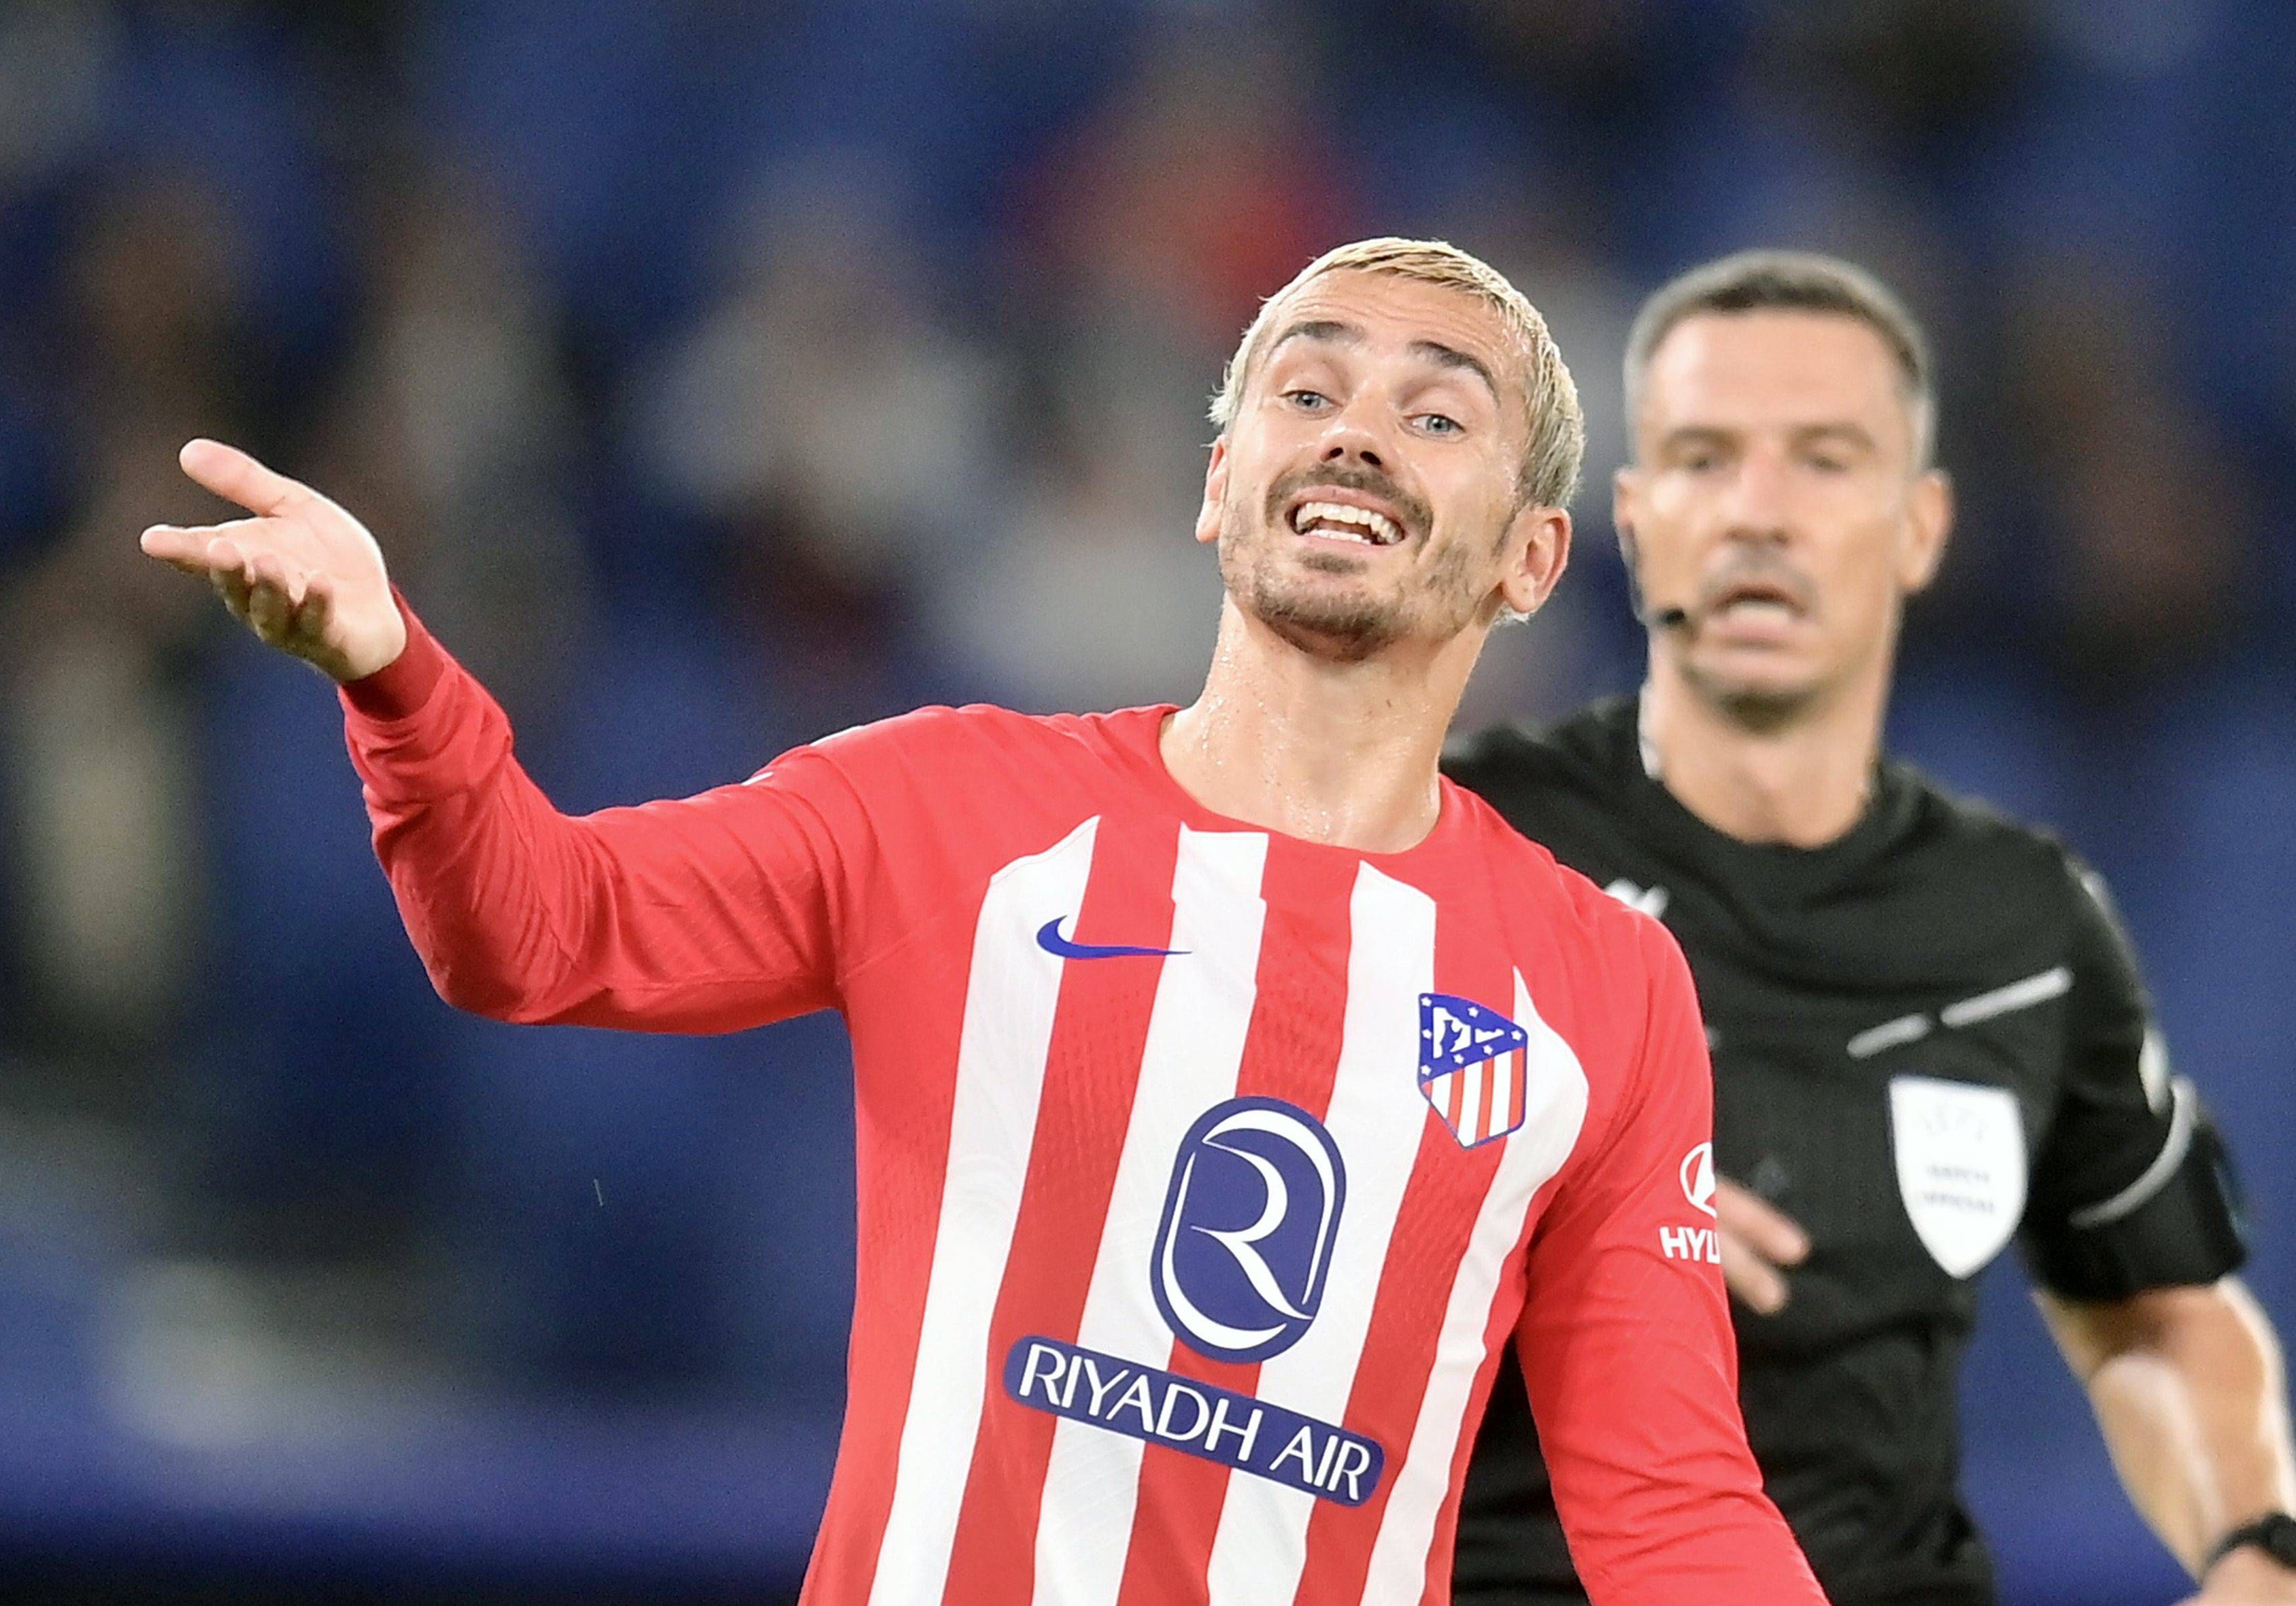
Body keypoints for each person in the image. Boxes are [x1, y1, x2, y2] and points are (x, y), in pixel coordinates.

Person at [138, 237, 1825, 1605]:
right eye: (1305, 387)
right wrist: (394, 676)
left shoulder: (1601, 991)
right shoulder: (946, 808)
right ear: (1218, 479)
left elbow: (1669, 1506)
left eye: (1435, 412)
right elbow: (538, 926)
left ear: (1532, 559)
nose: (1356, 429)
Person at [1445, 251, 2296, 1606]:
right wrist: (1551, 1198)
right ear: (1628, 516)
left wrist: (2257, 1545)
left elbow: (2155, 1308)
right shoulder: (1452, 838)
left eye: (1824, 460)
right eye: (1702, 457)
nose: (1758, 515)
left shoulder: (2021, 917)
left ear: (1920, 524)